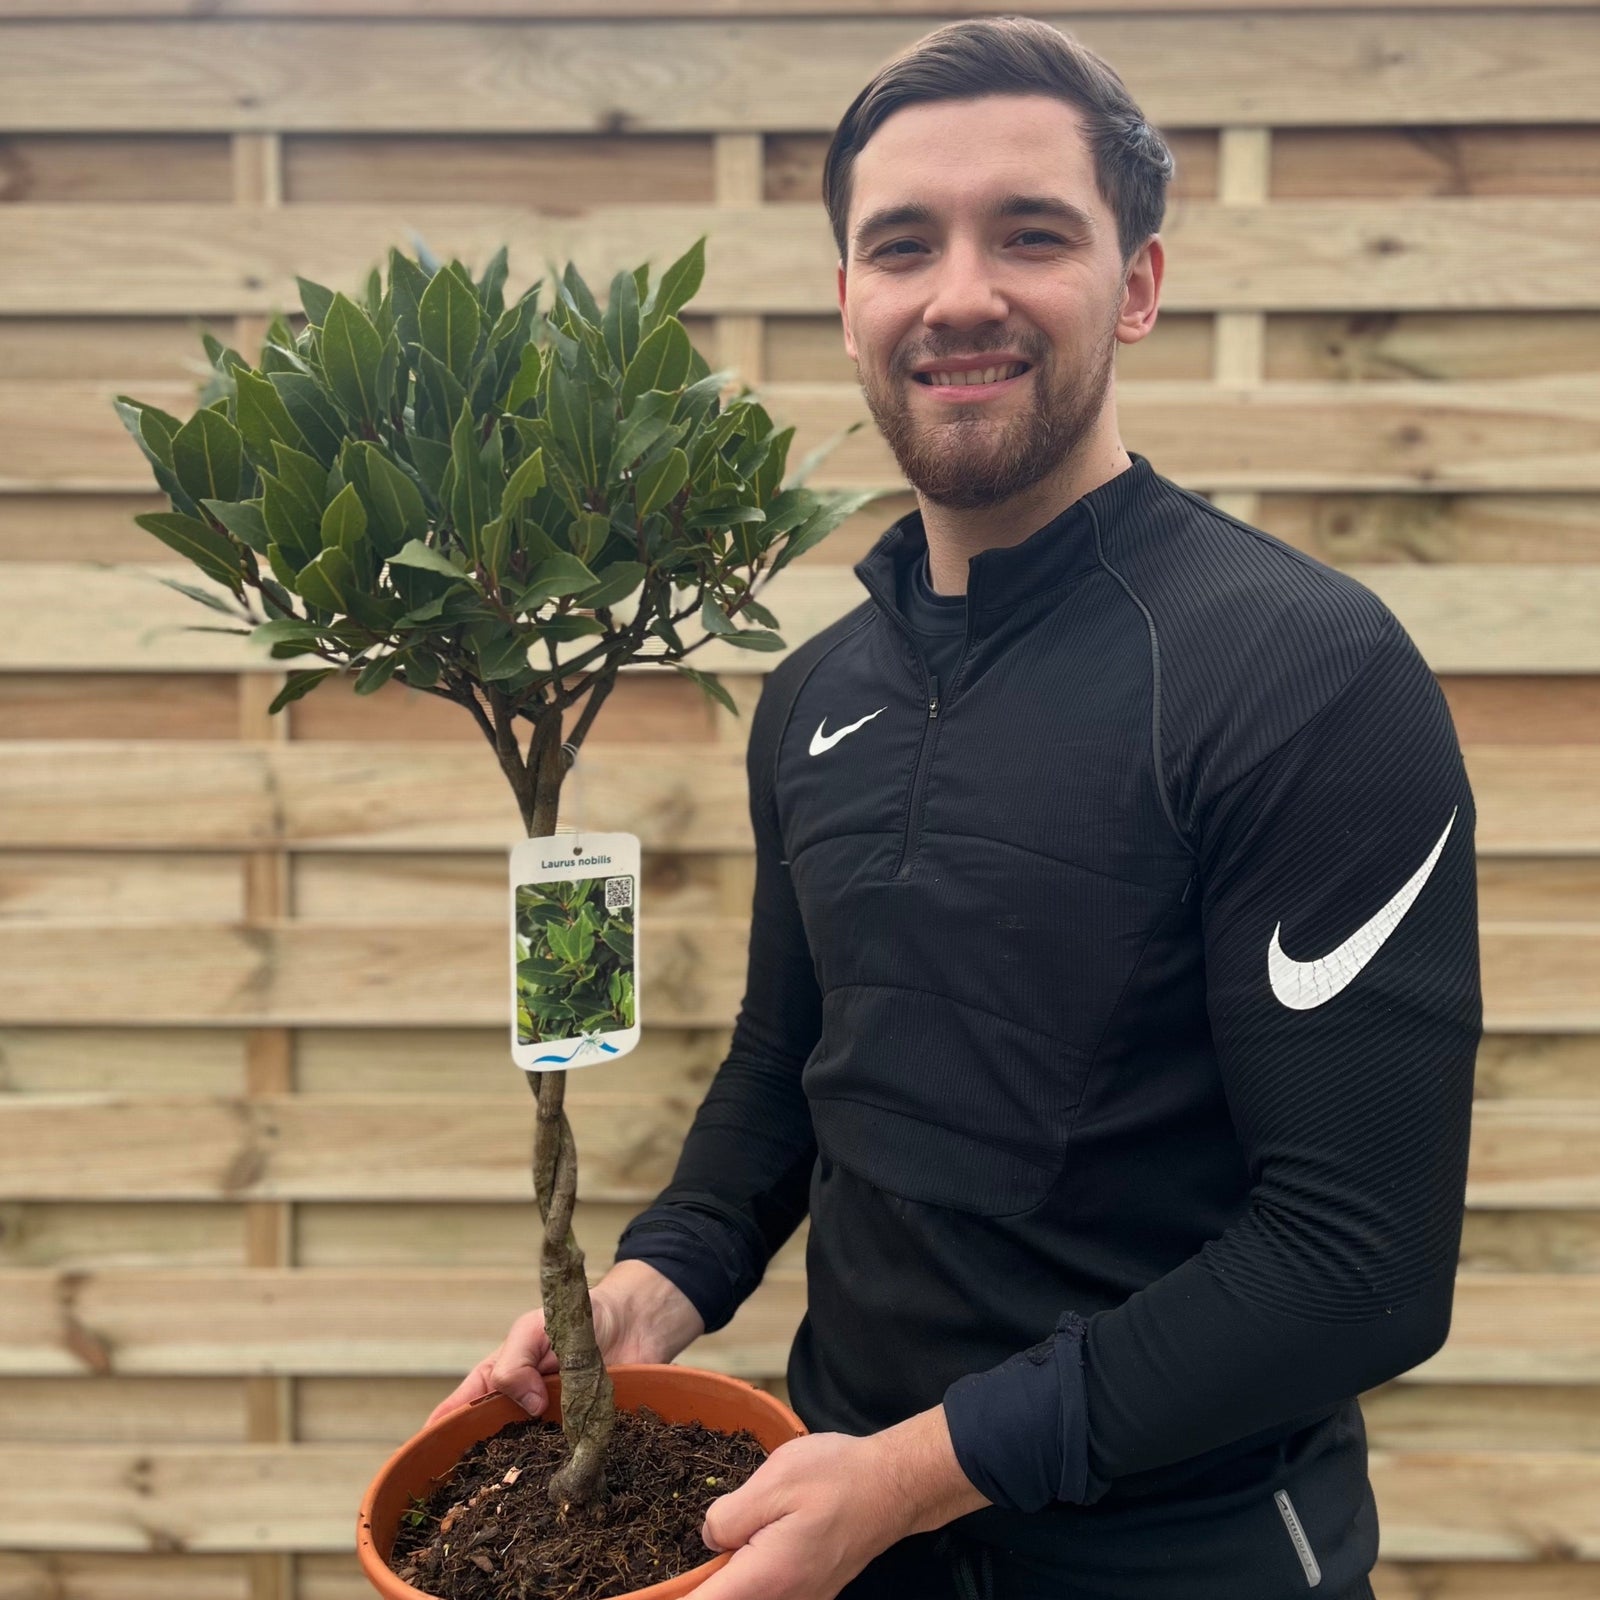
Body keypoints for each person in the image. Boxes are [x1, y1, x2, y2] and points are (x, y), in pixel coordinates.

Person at [430, 17, 1482, 1600]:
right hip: (828, 1528)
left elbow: (1359, 1267)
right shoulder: (816, 696)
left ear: (1137, 283)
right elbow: (792, 1073)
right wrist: (655, 1290)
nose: (961, 292)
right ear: (849, 299)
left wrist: (918, 1476)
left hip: (1175, 1553)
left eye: (1032, 235)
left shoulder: (1302, 674)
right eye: (902, 244)